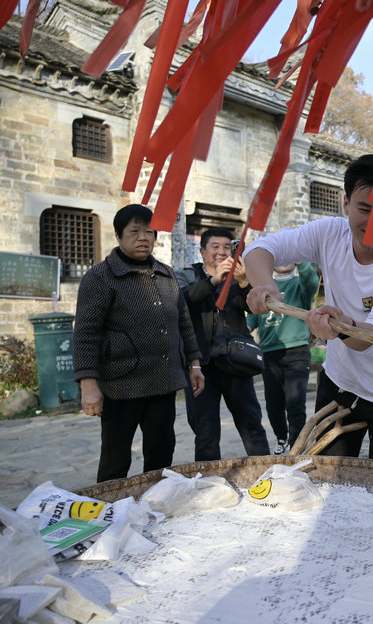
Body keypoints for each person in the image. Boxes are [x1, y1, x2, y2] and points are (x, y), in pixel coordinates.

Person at [243, 154, 373, 464]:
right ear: (345, 204)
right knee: (324, 478)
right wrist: (264, 285)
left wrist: (341, 326)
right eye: (364, 209)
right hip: (340, 384)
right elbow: (261, 249)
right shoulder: (329, 233)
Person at [74, 204, 204, 483]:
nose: (143, 238)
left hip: (163, 382)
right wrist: (88, 384)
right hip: (121, 385)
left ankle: (155, 505)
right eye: (134, 231)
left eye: (149, 232)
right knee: (116, 458)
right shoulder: (100, 277)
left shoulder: (167, 275)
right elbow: (85, 333)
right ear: (119, 236)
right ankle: (110, 511)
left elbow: (184, 324)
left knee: (161, 453)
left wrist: (194, 363)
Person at [177, 228, 270, 461]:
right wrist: (213, 280)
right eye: (215, 247)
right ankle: (209, 486)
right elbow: (181, 301)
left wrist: (243, 282)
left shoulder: (240, 276)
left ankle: (267, 475)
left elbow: (254, 308)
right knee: (206, 431)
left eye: (227, 247)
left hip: (235, 362)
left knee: (252, 425)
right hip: (200, 365)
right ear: (202, 251)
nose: (221, 252)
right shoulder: (188, 275)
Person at [246, 262, 319, 455]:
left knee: (295, 404)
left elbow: (311, 280)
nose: (284, 260)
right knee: (273, 404)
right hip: (270, 354)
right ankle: (282, 438)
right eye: (279, 256)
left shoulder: (299, 285)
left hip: (297, 352)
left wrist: (299, 255)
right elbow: (252, 318)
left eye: (289, 256)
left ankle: (297, 447)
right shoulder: (263, 289)